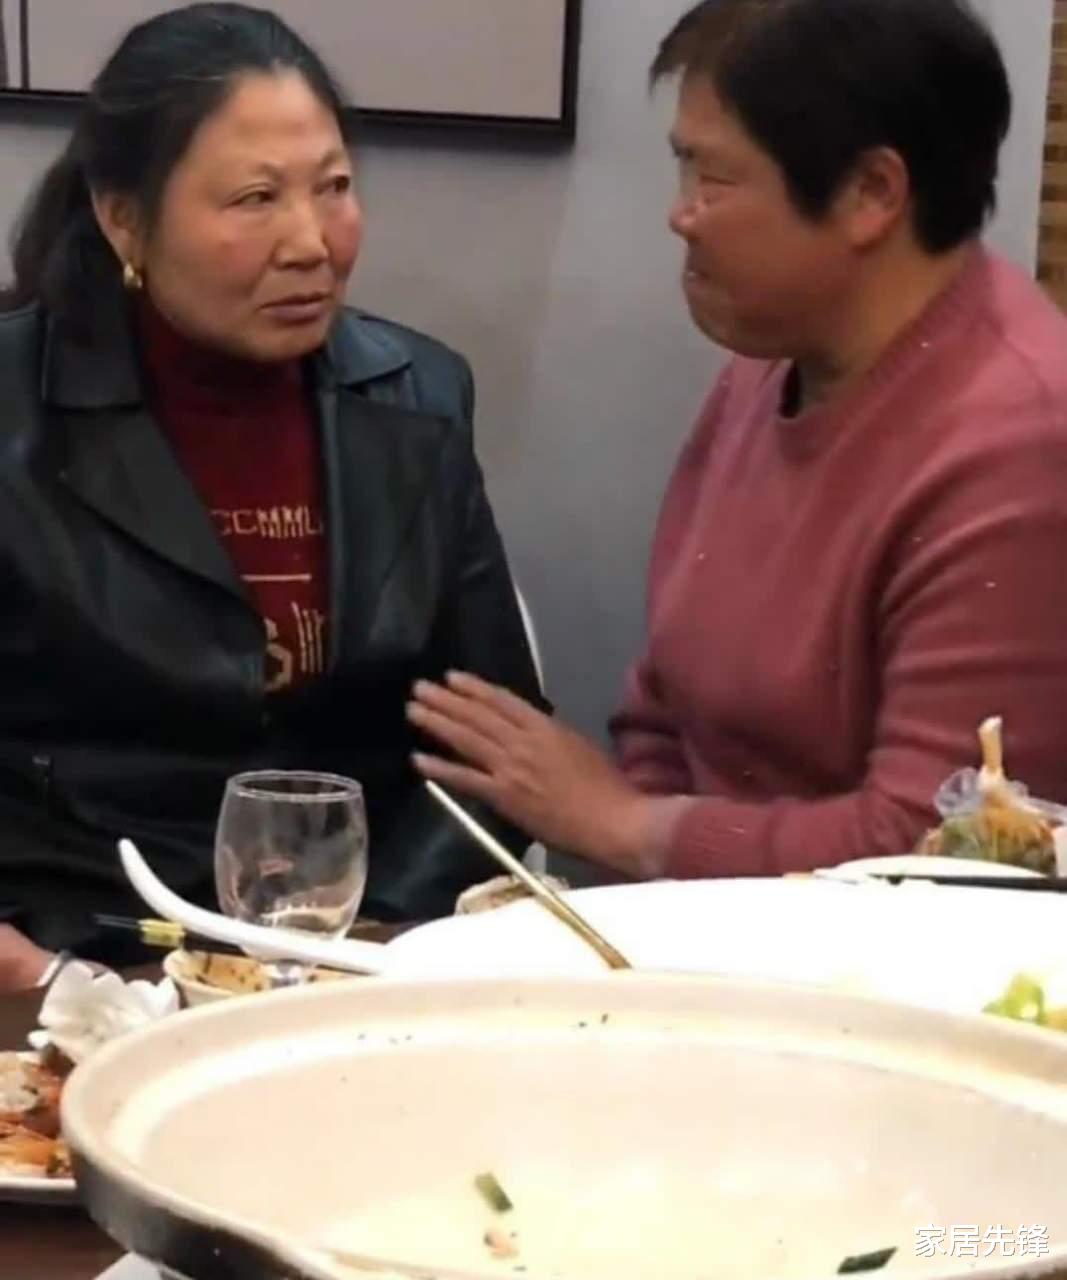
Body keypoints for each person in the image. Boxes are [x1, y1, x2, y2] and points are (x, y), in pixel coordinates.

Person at [410, 0, 1067, 881]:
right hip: (702, 933)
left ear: (872, 194)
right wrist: (646, 867)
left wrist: (627, 827)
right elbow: (662, 706)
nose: (681, 216)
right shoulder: (774, 357)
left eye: (712, 179)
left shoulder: (1019, 443)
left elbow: (940, 854)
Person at [0, 2, 542, 986]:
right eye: (255, 198)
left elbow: (492, 751)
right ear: (123, 217)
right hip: (76, 960)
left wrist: (372, 939)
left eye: (333, 187)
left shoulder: (416, 398)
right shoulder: (13, 413)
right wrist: (43, 971)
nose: (311, 241)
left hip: (357, 957)